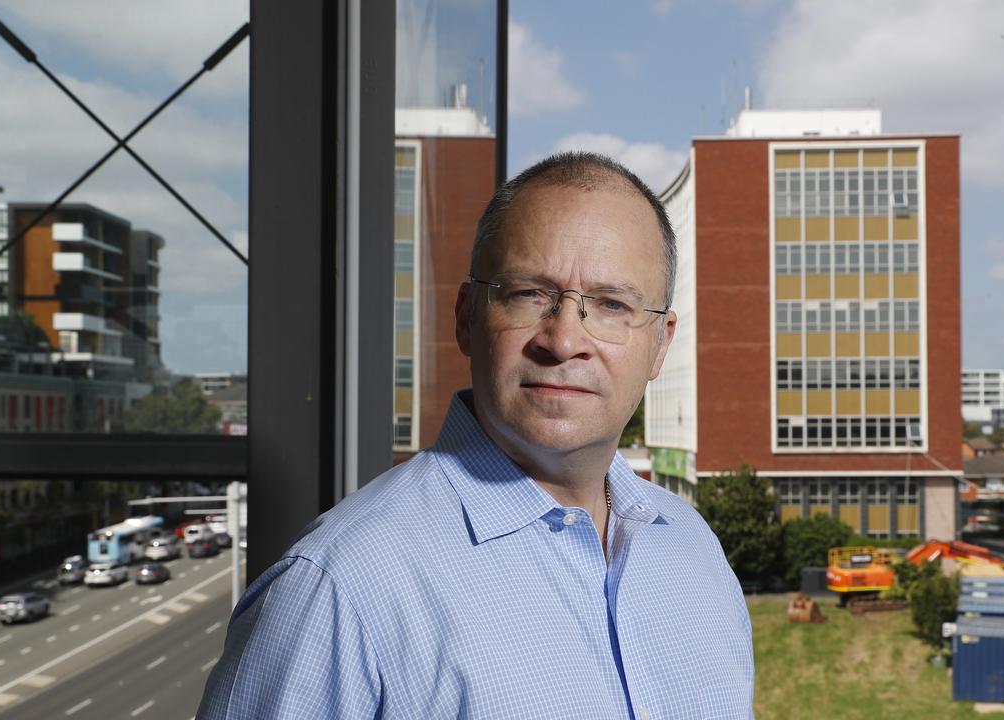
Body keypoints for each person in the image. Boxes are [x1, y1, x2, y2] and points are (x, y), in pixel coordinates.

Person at [198, 152, 754, 719]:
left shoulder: (692, 549)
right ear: (466, 317)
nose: (563, 341)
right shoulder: (338, 588)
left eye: (611, 305)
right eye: (529, 294)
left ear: (660, 343)